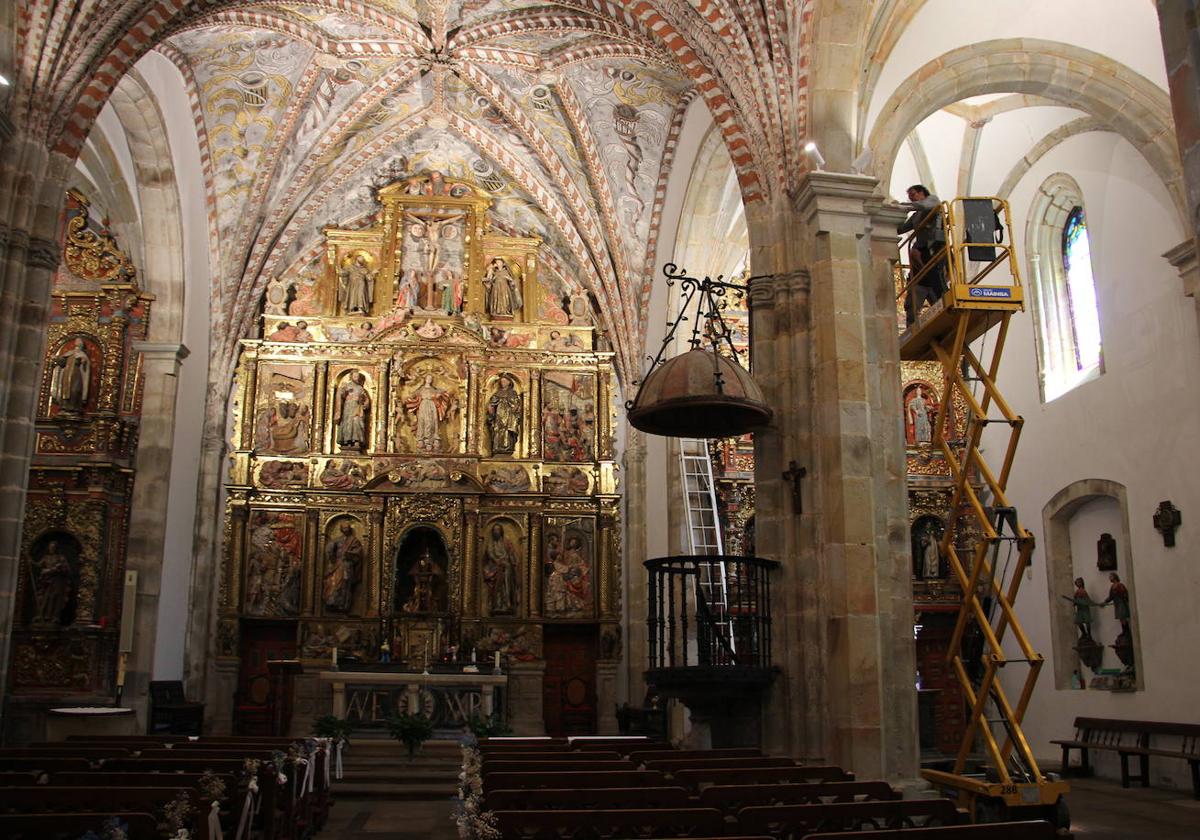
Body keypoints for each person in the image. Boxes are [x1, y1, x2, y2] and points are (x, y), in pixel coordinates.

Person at [898, 185, 948, 326]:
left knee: (937, 280)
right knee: (914, 303)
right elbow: (901, 229)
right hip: (924, 251)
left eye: (913, 194)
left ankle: (946, 312)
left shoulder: (932, 200)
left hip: (935, 248)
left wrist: (906, 206)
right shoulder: (916, 216)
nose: (911, 198)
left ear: (922, 192)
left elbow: (927, 205)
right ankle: (911, 327)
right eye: (909, 196)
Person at [404, 373, 454, 453]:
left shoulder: (434, 389)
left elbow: (445, 393)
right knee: (422, 421)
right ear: (425, 379)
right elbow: (412, 395)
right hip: (423, 405)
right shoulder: (421, 389)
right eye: (428, 378)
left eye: (431, 378)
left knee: (431, 422)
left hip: (432, 406)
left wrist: (439, 395)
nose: (429, 380)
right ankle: (421, 439)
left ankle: (430, 440)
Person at [323, 521, 364, 613]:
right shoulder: (338, 540)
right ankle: (332, 602)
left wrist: (349, 554)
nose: (346, 530)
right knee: (331, 582)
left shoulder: (354, 540)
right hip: (337, 565)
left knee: (344, 584)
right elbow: (329, 549)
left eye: (347, 528)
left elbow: (358, 553)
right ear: (341, 529)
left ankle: (343, 605)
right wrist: (331, 554)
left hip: (347, 565)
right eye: (344, 528)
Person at [482, 523, 519, 615]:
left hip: (506, 567)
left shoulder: (505, 542)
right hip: (493, 567)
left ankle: (507, 604)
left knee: (506, 581)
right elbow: (489, 556)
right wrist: (497, 561)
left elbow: (512, 556)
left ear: (501, 531)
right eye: (494, 530)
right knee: (497, 584)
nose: (496, 532)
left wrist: (510, 556)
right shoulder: (490, 543)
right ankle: (496, 605)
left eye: (498, 530)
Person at [52, 337, 91, 412]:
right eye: (76, 341)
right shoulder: (69, 353)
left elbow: (85, 363)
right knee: (65, 389)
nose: (77, 342)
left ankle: (74, 407)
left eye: (79, 341)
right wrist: (56, 359)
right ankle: (64, 406)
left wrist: (83, 361)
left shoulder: (82, 354)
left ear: (82, 344)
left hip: (76, 374)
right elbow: (62, 362)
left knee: (75, 390)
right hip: (67, 373)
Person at [486, 375, 522, 455]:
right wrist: (490, 409)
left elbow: (517, 404)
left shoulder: (513, 393)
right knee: (498, 430)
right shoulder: (497, 393)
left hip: (509, 416)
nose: (503, 383)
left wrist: (515, 407)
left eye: (505, 381)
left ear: (509, 382)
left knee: (508, 431)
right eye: (502, 381)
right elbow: (492, 403)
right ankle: (497, 447)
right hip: (499, 416)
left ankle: (508, 447)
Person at [336, 372, 370, 451]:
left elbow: (366, 398)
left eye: (357, 376)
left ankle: (357, 441)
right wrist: (343, 391)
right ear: (351, 377)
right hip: (347, 407)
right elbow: (341, 395)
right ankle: (346, 441)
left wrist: (365, 404)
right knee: (347, 423)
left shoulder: (360, 388)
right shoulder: (346, 386)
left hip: (357, 407)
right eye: (355, 376)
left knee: (357, 422)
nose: (356, 378)